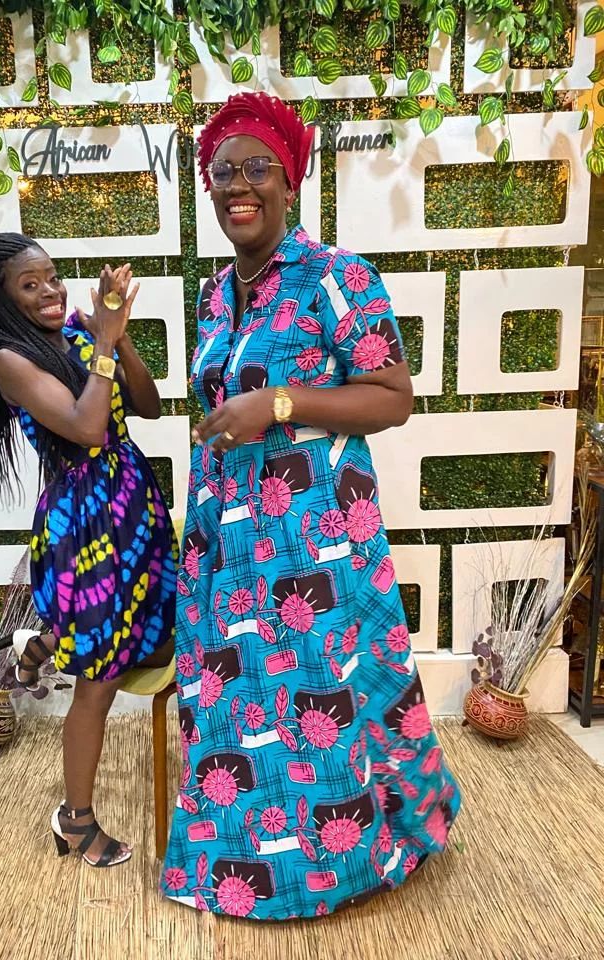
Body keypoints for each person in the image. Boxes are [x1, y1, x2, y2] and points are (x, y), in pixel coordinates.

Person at [160, 93, 461, 919]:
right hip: (230, 540)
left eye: (257, 168)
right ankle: (237, 867)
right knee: (242, 708)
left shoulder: (337, 277)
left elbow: (392, 397)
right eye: (223, 173)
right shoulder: (215, 295)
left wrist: (281, 403)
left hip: (316, 543)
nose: (238, 185)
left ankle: (349, 863)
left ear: (290, 182)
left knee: (327, 699)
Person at [0, 233, 177, 867]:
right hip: (85, 527)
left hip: (133, 504)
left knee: (156, 638)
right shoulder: (11, 360)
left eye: (52, 277)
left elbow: (147, 405)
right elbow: (87, 428)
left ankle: (44, 643)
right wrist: (103, 342)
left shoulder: (81, 333)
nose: (50, 291)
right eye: (30, 285)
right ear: (1, 299)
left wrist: (119, 335)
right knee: (99, 681)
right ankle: (74, 820)